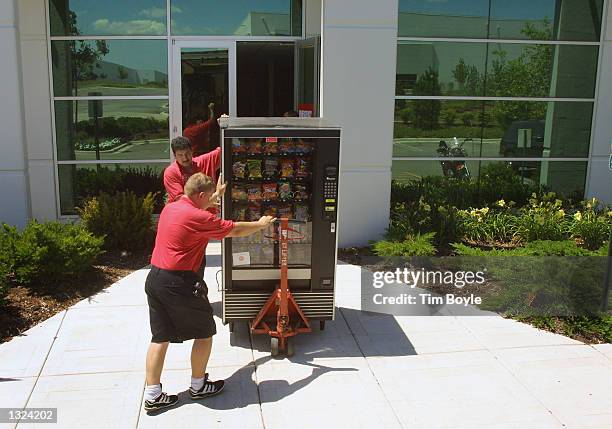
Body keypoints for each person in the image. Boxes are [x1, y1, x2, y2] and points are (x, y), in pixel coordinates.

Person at [143, 172, 276, 412]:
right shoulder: (197, 217)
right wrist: (261, 224)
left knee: (159, 337)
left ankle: (153, 395)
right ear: (201, 195)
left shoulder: (172, 207)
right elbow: (233, 230)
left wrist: (216, 196)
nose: (211, 200)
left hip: (155, 278)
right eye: (209, 196)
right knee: (204, 333)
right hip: (179, 283)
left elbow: (200, 207)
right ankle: (198, 386)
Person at [164, 135, 221, 205]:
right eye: (180, 155)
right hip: (184, 213)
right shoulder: (171, 172)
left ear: (192, 151)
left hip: (208, 212)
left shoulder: (203, 161)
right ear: (174, 155)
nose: (185, 158)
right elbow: (180, 200)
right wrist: (210, 203)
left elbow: (225, 149)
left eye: (187, 153)